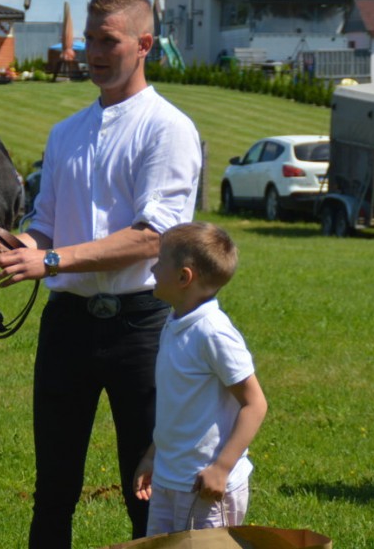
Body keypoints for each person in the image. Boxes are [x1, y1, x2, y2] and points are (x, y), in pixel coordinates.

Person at [0, 0, 202, 547]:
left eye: (108, 41)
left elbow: (153, 238)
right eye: (88, 40)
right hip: (68, 325)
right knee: (53, 490)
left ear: (144, 44)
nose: (92, 52)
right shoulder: (65, 133)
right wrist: (5, 245)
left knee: (146, 491)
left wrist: (50, 260)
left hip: (142, 325)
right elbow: (46, 224)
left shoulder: (167, 128)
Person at [133, 222, 268, 533]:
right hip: (168, 478)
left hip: (203, 486)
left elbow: (255, 404)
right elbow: (175, 408)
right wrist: (153, 456)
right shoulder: (174, 323)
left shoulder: (213, 332)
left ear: (184, 277)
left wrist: (222, 468)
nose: (153, 268)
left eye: (160, 261)